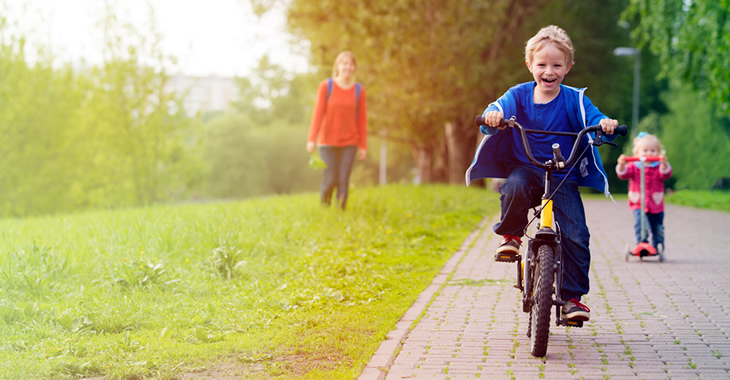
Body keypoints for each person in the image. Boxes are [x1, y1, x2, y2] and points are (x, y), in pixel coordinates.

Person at [465, 25, 619, 321]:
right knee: (514, 185)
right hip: (528, 169)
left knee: (576, 235)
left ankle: (572, 298)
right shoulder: (519, 95)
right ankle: (511, 235)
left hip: (563, 177)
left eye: (557, 65)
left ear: (568, 67)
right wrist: (494, 116)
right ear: (530, 65)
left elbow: (595, 118)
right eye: (542, 64)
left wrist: (605, 123)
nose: (549, 71)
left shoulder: (574, 99)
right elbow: (496, 107)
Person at [307, 51, 367, 210]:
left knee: (343, 179)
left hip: (350, 141)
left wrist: (363, 146)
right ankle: (325, 208)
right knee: (330, 178)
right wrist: (311, 139)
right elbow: (318, 114)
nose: (347, 67)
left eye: (351, 64)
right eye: (344, 63)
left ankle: (341, 212)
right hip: (327, 141)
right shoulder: (326, 86)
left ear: (354, 68)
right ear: (338, 66)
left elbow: (362, 120)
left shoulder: (359, 90)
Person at [616, 132, 672, 250]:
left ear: (658, 152)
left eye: (653, 151)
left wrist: (664, 164)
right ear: (637, 153)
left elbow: (666, 174)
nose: (648, 153)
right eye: (645, 150)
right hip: (638, 203)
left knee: (658, 228)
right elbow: (624, 175)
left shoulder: (659, 166)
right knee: (641, 224)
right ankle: (642, 243)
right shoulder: (633, 165)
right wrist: (621, 165)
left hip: (655, 204)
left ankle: (658, 246)